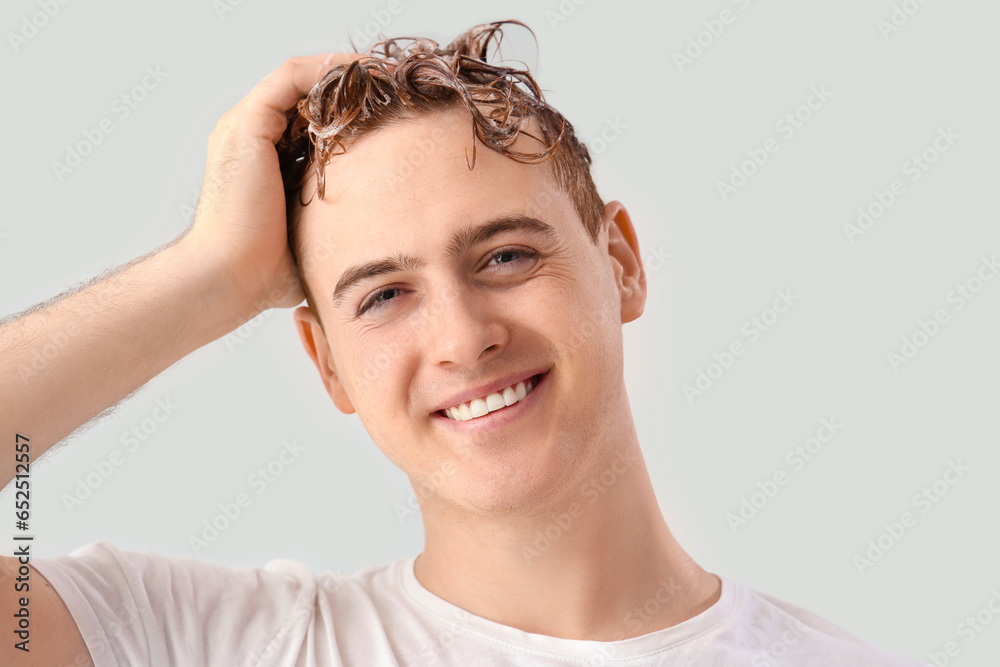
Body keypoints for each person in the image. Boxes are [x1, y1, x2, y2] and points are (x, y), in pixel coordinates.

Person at [1, 20, 923, 666]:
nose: (463, 336)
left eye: (507, 254)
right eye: (384, 294)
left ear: (622, 263)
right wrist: (211, 274)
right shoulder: (212, 644)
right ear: (328, 365)